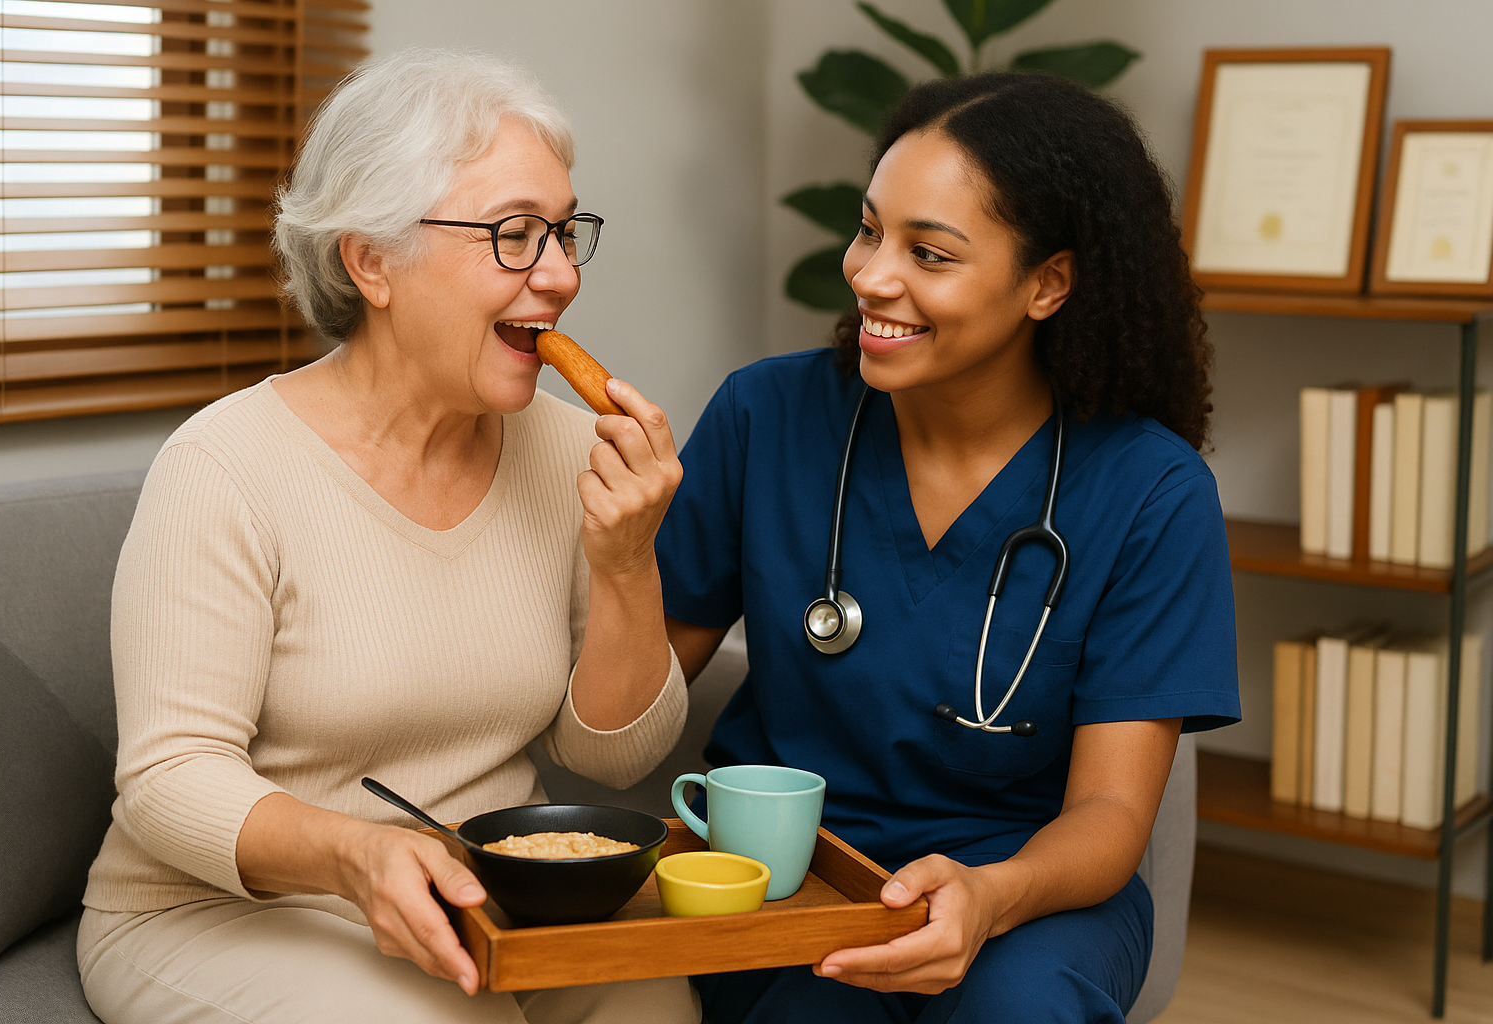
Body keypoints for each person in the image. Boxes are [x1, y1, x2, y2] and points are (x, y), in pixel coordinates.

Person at [77, 49, 699, 1024]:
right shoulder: (225, 467)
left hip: (487, 904)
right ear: (371, 260)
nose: (563, 275)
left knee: (658, 1001)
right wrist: (356, 852)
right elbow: (167, 781)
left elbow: (613, 760)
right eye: (515, 235)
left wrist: (625, 561)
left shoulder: (571, 449)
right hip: (226, 911)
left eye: (566, 232)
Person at [657, 71, 1240, 1024]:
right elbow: (629, 717)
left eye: (930, 253)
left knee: (1020, 1011)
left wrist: (991, 895)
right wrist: (617, 547)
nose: (872, 274)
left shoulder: (1150, 493)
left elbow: (1111, 817)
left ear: (1048, 282)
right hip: (798, 875)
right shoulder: (767, 418)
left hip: (1035, 890)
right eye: (869, 228)